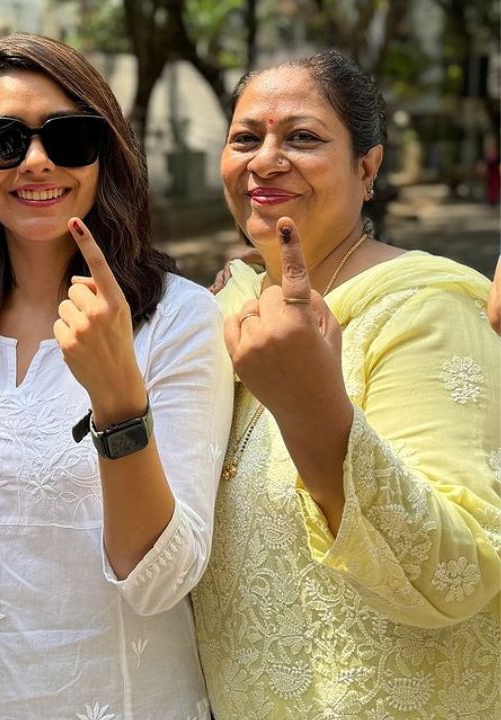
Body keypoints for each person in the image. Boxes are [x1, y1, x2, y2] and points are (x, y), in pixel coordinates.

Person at [0, 34, 233, 719]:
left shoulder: (179, 320)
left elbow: (162, 581)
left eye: (69, 137)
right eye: (2, 139)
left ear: (105, 158)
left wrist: (118, 404)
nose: (35, 161)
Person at [190, 51, 501, 718]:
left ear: (368, 168)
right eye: (247, 138)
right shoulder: (224, 312)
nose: (265, 160)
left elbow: (461, 570)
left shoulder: (425, 310)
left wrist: (317, 413)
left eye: (301, 137)